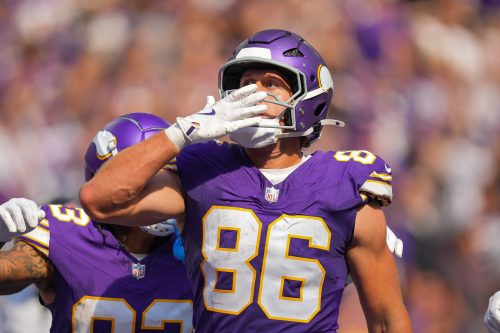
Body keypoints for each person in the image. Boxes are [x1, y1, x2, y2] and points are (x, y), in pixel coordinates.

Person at [80, 29, 412, 332]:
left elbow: (386, 319)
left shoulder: (344, 184)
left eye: (270, 83)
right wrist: (182, 132)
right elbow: (101, 199)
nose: (253, 95)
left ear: (308, 97)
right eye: (245, 84)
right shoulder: (205, 169)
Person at [0, 113, 193, 332]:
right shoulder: (67, 234)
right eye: (149, 182)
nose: (163, 192)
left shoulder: (199, 242)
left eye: (170, 179)